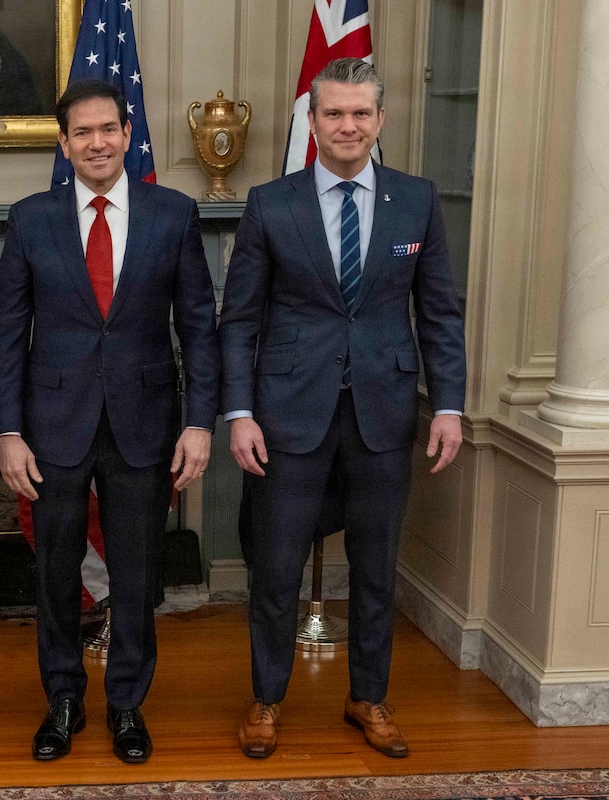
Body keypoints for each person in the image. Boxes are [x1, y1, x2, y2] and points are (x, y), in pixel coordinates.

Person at [219, 57, 467, 760]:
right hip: (285, 414)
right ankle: (267, 700)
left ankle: (368, 695)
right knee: (275, 568)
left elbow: (441, 314)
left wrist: (448, 405)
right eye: (334, 113)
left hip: (384, 414)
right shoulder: (272, 203)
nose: (349, 125)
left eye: (361, 113)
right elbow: (238, 319)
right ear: (314, 122)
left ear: (380, 120)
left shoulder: (415, 201)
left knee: (377, 568)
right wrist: (239, 411)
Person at [0, 79, 220, 765]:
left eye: (108, 130)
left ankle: (126, 704)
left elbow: (200, 330)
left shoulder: (173, 213)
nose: (96, 142)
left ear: (127, 134)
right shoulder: (30, 218)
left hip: (145, 425)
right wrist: (7, 431)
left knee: (136, 574)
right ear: (64, 143)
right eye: (81, 132)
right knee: (56, 573)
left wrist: (200, 421)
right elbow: (6, 336)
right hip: (52, 426)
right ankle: (62, 700)